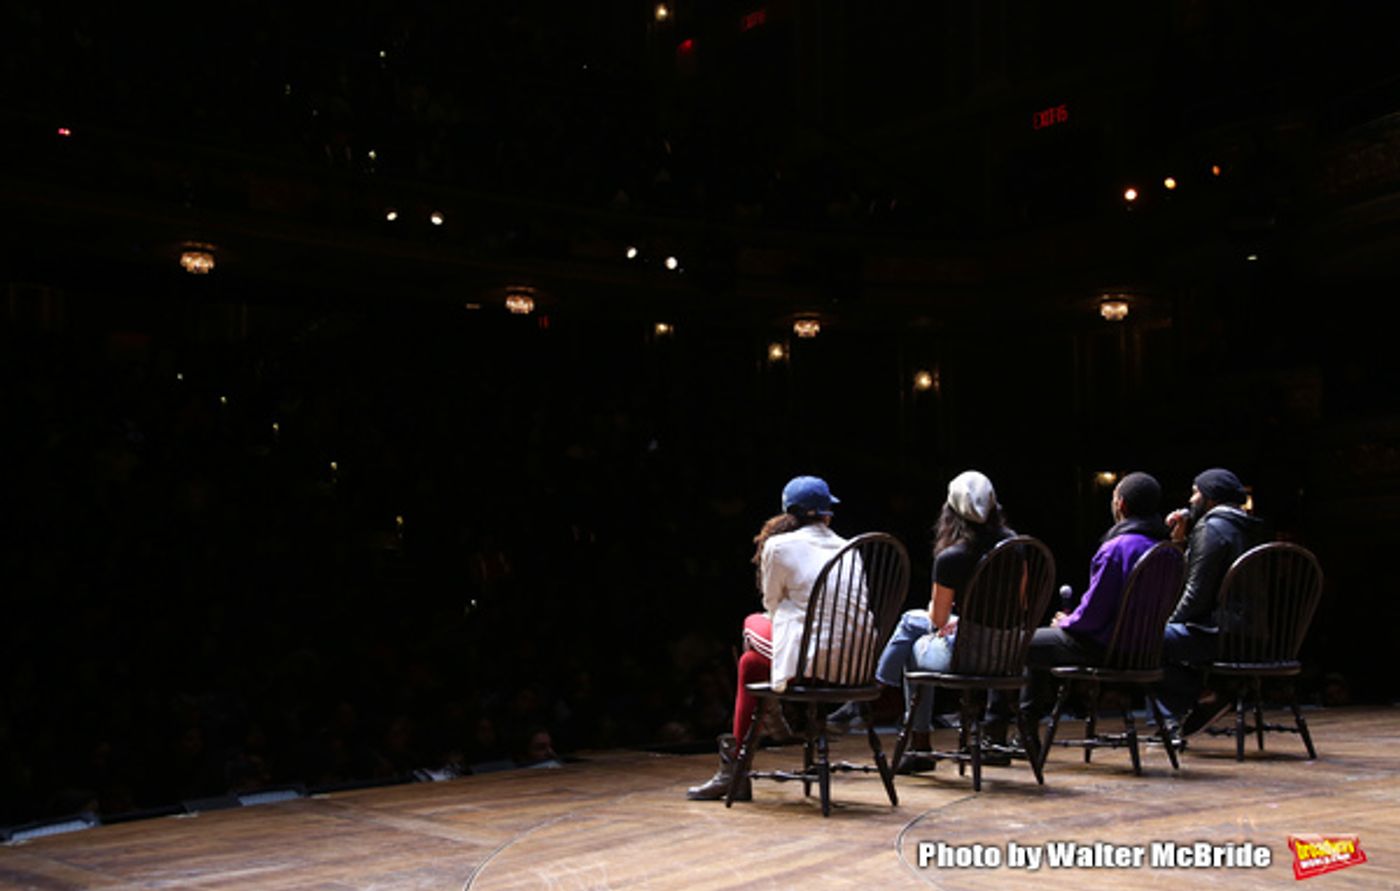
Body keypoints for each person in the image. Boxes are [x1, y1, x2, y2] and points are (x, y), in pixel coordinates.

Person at [686, 475, 853, 801]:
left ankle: (740, 760)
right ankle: (756, 739)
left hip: (813, 660)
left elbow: (772, 607)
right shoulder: (851, 547)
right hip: (854, 664)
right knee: (751, 664)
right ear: (826, 515)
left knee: (751, 624)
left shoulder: (778, 546)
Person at [857, 471, 1015, 769]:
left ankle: (917, 742)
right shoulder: (1017, 546)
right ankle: (876, 691)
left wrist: (952, 617)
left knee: (914, 640)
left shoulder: (953, 557)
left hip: (966, 658)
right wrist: (965, 619)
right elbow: (1018, 607)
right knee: (912, 621)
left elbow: (937, 619)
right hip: (1008, 653)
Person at [1017, 472, 1171, 723]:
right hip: (1147, 651)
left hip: (1107, 649)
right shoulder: (1168, 551)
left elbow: (1093, 615)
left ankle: (1024, 729)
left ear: (1120, 504)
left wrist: (1065, 623)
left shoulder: (1116, 548)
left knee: (1028, 642)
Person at [1155, 468, 1267, 736]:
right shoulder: (1253, 528)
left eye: (1196, 492)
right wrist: (1180, 541)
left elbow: (1196, 595)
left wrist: (1165, 624)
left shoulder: (1211, 528)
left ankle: (1207, 697)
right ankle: (1209, 697)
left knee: (1143, 641)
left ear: (1211, 498)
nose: (1191, 500)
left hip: (1222, 636)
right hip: (1259, 637)